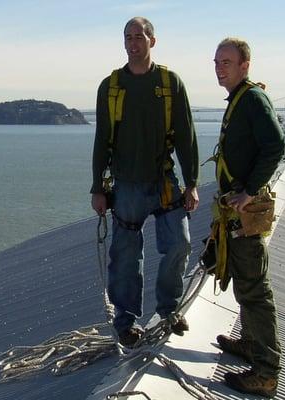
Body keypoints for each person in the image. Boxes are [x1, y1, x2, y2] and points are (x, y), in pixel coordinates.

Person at [90, 17, 199, 347]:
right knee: (125, 256)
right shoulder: (111, 87)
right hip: (126, 186)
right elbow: (102, 139)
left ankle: (169, 309)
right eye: (128, 37)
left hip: (164, 181)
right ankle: (125, 323)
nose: (133, 43)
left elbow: (186, 135)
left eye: (139, 37)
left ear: (153, 41)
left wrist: (192, 182)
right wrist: (98, 187)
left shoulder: (169, 83)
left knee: (179, 244)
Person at [210, 37, 285, 397]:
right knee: (245, 281)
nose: (220, 68)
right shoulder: (240, 99)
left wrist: (250, 190)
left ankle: (267, 371)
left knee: (255, 291)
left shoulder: (252, 99)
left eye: (227, 62)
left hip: (246, 210)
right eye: (217, 62)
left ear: (244, 65)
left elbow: (276, 145)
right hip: (237, 210)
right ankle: (251, 342)